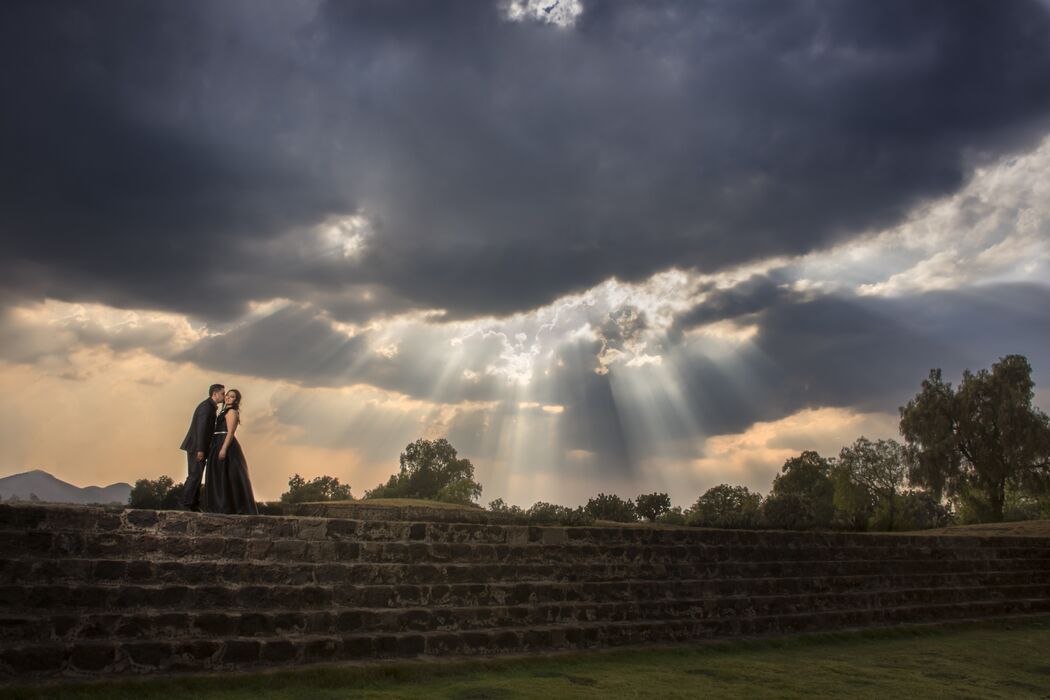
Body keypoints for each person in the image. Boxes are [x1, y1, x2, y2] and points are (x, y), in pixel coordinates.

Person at [202, 388, 258, 515]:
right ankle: (218, 506)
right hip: (217, 442)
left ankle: (229, 507)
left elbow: (230, 432)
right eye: (227, 395)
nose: (228, 397)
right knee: (219, 474)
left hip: (225, 443)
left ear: (236, 400)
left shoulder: (232, 412)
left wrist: (224, 449)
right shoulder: (223, 411)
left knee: (228, 475)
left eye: (232, 397)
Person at [179, 383, 225, 511]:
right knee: (194, 475)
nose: (224, 396)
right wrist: (200, 449)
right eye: (222, 393)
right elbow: (201, 429)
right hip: (196, 447)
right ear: (214, 394)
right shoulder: (206, 407)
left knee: (197, 476)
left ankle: (193, 504)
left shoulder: (210, 406)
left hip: (198, 446)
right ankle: (186, 504)